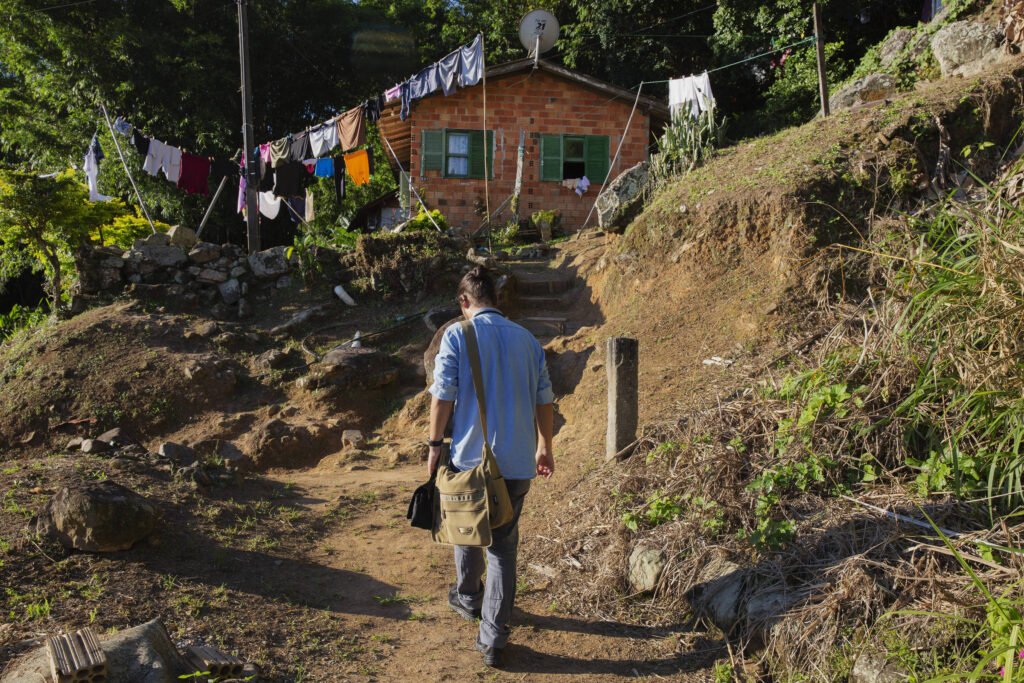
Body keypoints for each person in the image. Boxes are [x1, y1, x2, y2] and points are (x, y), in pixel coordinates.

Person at [427, 266, 555, 668]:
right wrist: (544, 447)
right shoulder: (528, 339)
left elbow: (442, 396)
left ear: (464, 301)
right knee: (503, 548)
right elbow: (545, 399)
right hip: (516, 463)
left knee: (465, 525)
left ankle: (468, 597)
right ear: (495, 301)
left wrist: (434, 445)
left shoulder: (457, 335)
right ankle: (494, 637)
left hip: (469, 460)